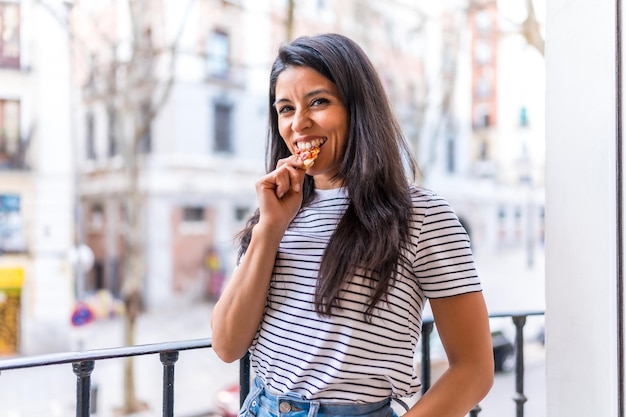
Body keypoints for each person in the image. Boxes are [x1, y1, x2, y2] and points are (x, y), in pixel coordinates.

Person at [211, 33, 494, 417]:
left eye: (319, 102)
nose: (299, 124)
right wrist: (269, 229)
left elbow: (474, 368)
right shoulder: (275, 210)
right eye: (285, 109)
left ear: (358, 108)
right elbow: (227, 344)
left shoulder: (423, 215)